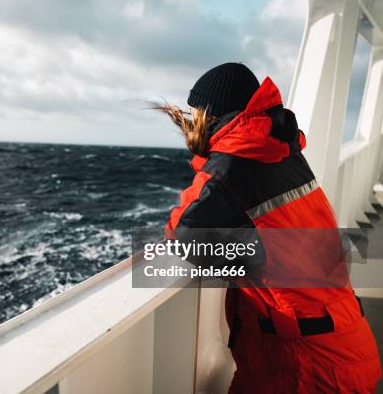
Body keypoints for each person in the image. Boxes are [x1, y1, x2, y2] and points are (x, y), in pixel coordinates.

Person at [155, 63, 382, 393]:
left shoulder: (232, 165)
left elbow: (183, 234)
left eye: (195, 114)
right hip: (328, 343)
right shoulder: (278, 150)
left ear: (210, 116)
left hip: (307, 368)